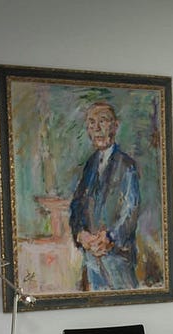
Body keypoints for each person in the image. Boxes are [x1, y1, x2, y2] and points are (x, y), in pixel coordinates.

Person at [68, 101, 141, 291]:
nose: (97, 128)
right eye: (92, 123)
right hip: (92, 261)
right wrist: (80, 233)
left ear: (115, 126)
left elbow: (130, 211)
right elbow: (77, 206)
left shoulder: (126, 165)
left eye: (103, 121)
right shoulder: (90, 165)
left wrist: (110, 236)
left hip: (118, 260)